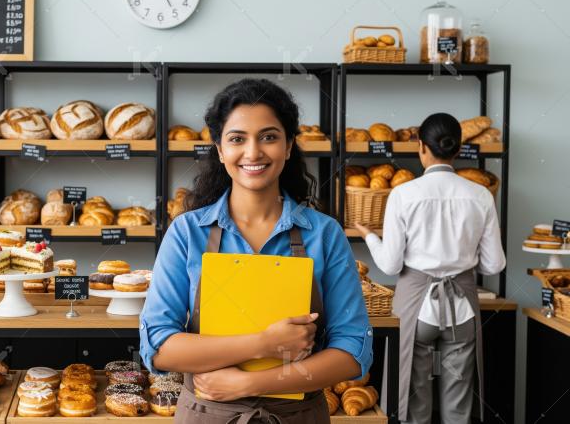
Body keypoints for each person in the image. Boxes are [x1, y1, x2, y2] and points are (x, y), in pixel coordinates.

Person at [139, 78, 373, 423]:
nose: (253, 152)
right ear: (220, 150)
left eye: (269, 136)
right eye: (237, 139)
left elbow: (353, 352)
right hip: (206, 413)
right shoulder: (187, 232)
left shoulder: (325, 234)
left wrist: (249, 383)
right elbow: (158, 347)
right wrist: (263, 344)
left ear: (289, 145)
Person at [355, 113, 506, 424]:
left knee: (412, 400)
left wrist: (369, 236)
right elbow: (495, 264)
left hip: (416, 307)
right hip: (463, 307)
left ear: (421, 147)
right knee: (459, 402)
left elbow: (391, 264)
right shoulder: (481, 195)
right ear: (458, 147)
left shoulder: (403, 194)